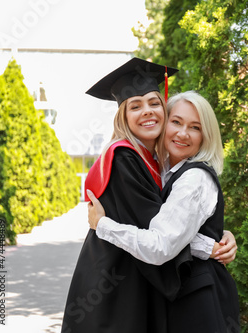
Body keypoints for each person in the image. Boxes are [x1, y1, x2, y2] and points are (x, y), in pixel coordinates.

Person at [62, 58, 236, 333]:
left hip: (134, 286)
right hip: (116, 295)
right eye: (135, 105)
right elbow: (160, 240)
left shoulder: (159, 166)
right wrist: (210, 246)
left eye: (155, 103)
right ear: (123, 116)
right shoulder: (125, 159)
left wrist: (217, 237)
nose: (147, 112)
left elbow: (172, 229)